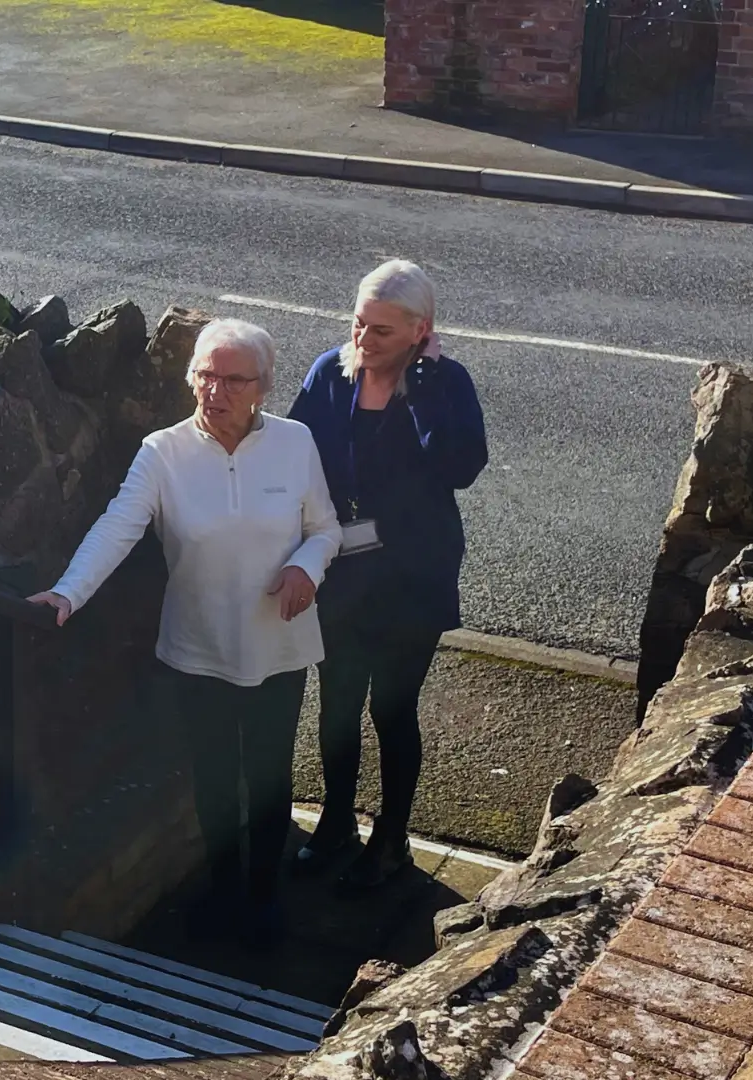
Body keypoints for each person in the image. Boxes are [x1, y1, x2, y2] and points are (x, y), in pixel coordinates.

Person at [29, 317, 341, 947]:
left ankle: (264, 896)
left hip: (278, 644)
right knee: (215, 778)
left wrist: (305, 568)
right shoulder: (162, 452)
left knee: (271, 775)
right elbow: (118, 526)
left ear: (263, 387)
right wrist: (68, 591)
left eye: (232, 379)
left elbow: (325, 529)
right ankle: (224, 894)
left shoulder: (295, 442)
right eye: (204, 374)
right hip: (198, 647)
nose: (214, 390)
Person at [287, 260, 488, 892]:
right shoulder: (329, 371)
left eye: (380, 331)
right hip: (341, 571)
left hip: (410, 578)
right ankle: (336, 822)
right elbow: (294, 449)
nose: (363, 340)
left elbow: (460, 466)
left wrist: (423, 385)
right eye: (357, 324)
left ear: (418, 330)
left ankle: (392, 838)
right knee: (338, 704)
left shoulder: (446, 383)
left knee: (393, 709)